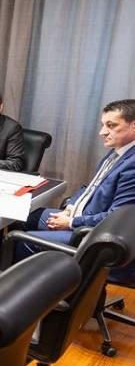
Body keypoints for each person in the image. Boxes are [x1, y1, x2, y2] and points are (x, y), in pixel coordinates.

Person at [16, 99, 135, 283]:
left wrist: (71, 222)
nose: (102, 132)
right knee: (20, 216)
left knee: (22, 240)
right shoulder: (118, 151)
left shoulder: (132, 165)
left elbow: (115, 218)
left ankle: (26, 290)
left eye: (111, 126)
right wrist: (70, 207)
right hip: (79, 216)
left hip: (91, 234)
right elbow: (90, 187)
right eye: (103, 125)